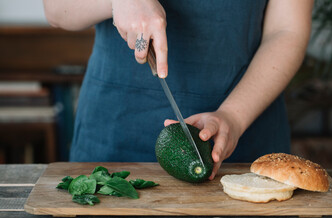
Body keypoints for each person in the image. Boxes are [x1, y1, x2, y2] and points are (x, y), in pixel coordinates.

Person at [43, 0, 314, 180]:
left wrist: (233, 116)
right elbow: (56, 9)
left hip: (245, 133)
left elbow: (287, 30)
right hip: (115, 134)